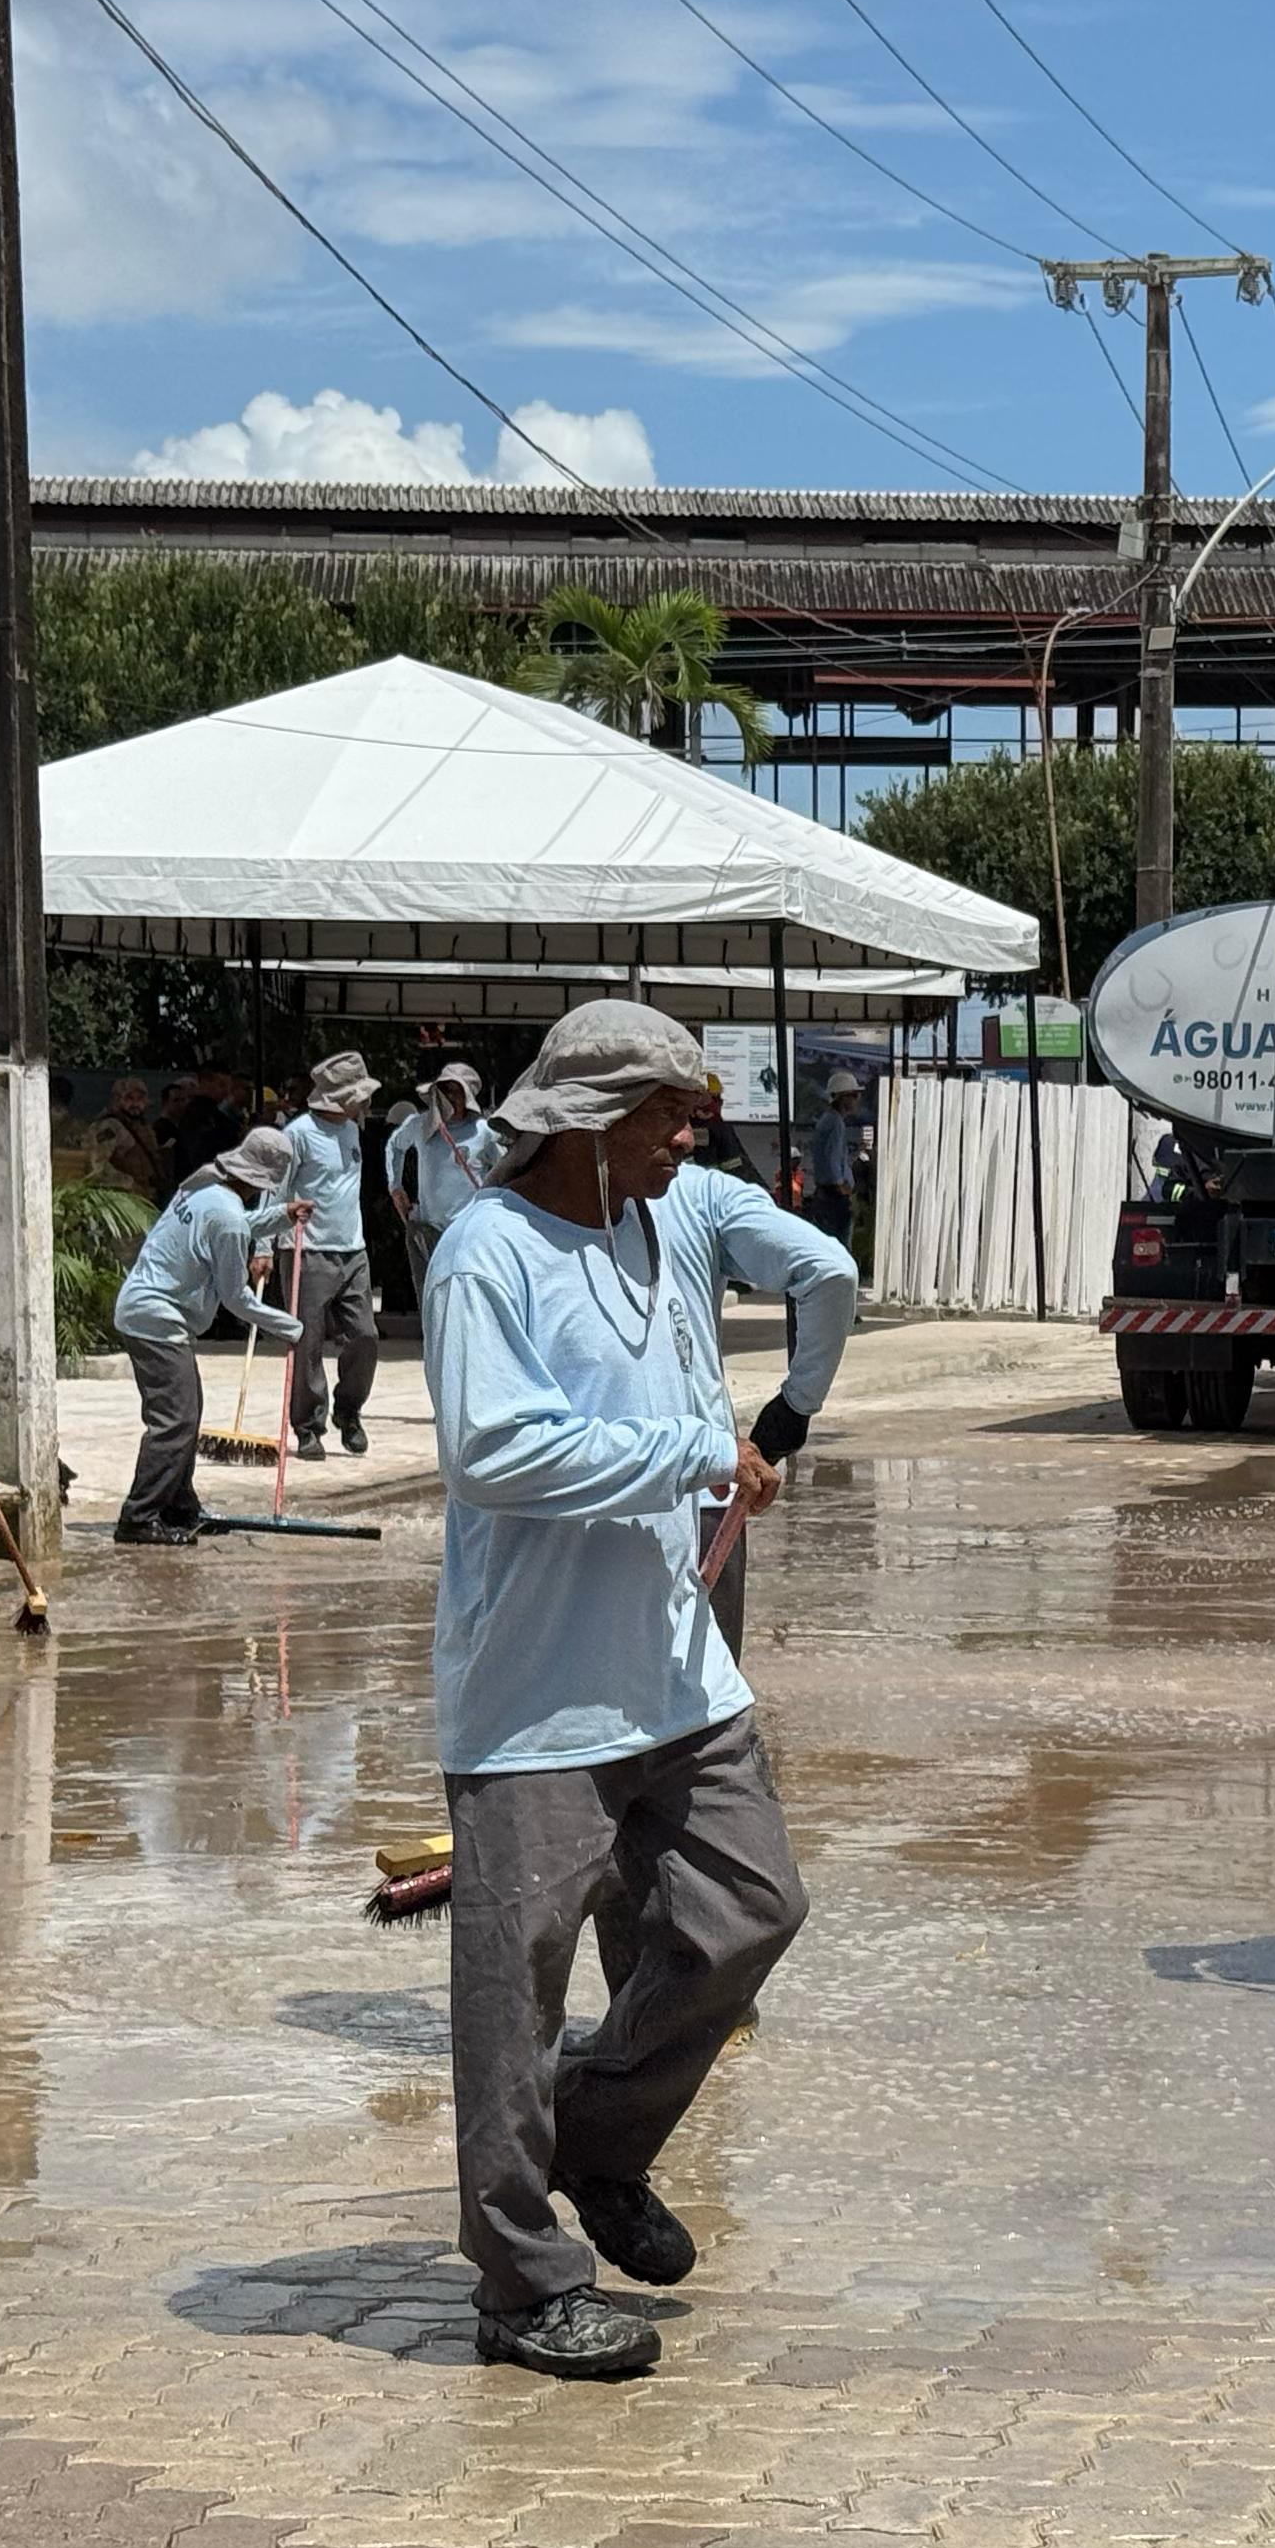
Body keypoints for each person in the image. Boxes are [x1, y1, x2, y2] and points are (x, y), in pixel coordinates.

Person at [426, 998, 805, 2381]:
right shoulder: (490, 1255)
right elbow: (494, 1451)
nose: (684, 1143)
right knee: (514, 1993)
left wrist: (715, 1449)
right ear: (586, 1124)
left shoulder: (652, 1227)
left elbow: (693, 1383)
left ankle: (595, 2141)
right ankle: (521, 2284)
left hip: (676, 1667)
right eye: (664, 1118)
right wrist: (689, 1458)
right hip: (538, 1698)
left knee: (748, 1914)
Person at [652, 1096, 858, 1656]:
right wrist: (794, 1408)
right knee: (704, 1712)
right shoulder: (699, 1194)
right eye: (667, 1116)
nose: (686, 1138)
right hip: (706, 1494)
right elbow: (832, 1272)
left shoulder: (503, 1224)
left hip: (592, 1515)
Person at [110, 1126, 302, 1547]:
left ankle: (180, 1505)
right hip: (156, 1319)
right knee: (174, 1422)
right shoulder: (227, 1214)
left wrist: (281, 1215)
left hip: (148, 1311)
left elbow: (232, 1226)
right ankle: (139, 1517)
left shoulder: (206, 1187)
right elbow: (237, 1298)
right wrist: (291, 1327)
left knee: (186, 1415)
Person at [282, 1052, 385, 1457]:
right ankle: (308, 1426)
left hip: (352, 1249)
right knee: (307, 1341)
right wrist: (263, 1245)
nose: (364, 1103)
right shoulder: (298, 1134)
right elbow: (276, 1188)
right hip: (307, 1249)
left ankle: (349, 1410)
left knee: (365, 1336)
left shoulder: (351, 1131)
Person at [386, 1063, 498, 1254]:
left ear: (467, 1097)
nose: (451, 1097)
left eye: (457, 1092)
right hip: (429, 1231)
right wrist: (395, 1186)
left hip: (470, 1233)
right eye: (446, 1091)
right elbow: (395, 1146)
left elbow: (505, 1172)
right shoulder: (420, 1125)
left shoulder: (483, 1131)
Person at [802, 1068, 864, 1249]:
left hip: (826, 1197)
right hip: (834, 1199)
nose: (856, 1100)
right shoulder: (835, 1123)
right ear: (841, 1097)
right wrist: (843, 1189)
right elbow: (833, 1161)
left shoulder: (827, 1120)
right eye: (853, 1095)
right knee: (841, 1249)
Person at [90, 1078, 170, 1201]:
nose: (135, 1104)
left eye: (140, 1099)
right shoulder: (109, 1126)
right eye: (129, 1098)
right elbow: (98, 1167)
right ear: (117, 1100)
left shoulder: (142, 1125)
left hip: (146, 1198)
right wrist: (130, 1184)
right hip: (122, 1200)